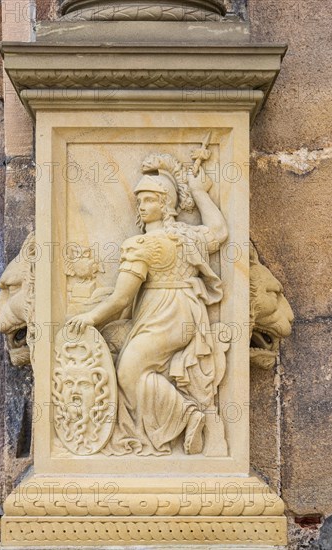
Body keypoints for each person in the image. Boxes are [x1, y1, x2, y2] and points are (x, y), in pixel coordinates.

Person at [67, 167, 228, 456]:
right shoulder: (187, 237)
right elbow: (217, 230)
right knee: (138, 368)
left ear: (166, 203)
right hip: (187, 313)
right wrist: (200, 192)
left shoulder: (142, 245)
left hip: (164, 314)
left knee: (128, 372)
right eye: (140, 200)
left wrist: (91, 317)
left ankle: (186, 415)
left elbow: (121, 299)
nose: (141, 206)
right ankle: (177, 418)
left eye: (150, 199)